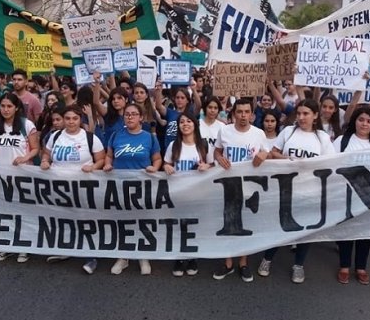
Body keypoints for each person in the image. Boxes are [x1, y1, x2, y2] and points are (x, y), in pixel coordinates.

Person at [257, 99, 335, 282]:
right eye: (299, 113)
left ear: (315, 115)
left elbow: (331, 164)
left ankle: (298, 265)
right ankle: (267, 259)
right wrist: (286, 159)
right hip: (285, 189)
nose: (301, 117)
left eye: (306, 113)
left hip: (310, 193)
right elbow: (273, 153)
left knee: (305, 230)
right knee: (278, 226)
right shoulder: (288, 131)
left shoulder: (322, 138)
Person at [40, 104, 105, 272]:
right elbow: (46, 153)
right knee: (63, 218)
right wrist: (45, 161)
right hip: (59, 187)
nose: (71, 122)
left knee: (85, 221)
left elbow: (101, 159)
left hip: (83, 188)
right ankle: (65, 249)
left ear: (80, 119)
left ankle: (91, 257)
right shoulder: (55, 136)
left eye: (75, 118)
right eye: (67, 118)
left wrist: (93, 167)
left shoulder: (90, 138)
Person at [212, 98, 269, 283]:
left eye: (247, 112)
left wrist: (263, 154)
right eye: (239, 112)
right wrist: (219, 158)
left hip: (250, 188)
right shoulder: (224, 131)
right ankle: (228, 262)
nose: (243, 116)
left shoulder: (259, 133)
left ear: (252, 114)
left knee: (246, 225)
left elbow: (266, 152)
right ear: (233, 113)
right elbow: (217, 152)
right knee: (228, 224)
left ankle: (243, 262)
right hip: (228, 186)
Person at [104, 104, 161, 275]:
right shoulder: (116, 135)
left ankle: (143, 256)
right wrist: (107, 164)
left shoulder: (149, 137)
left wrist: (154, 167)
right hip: (120, 185)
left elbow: (157, 158)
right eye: (127, 114)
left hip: (142, 186)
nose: (130, 117)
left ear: (141, 118)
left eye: (134, 114)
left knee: (142, 220)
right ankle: (123, 257)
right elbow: (109, 155)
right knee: (122, 221)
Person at [333, 106, 370, 285]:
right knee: (347, 231)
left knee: (365, 232)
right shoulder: (342, 141)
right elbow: (329, 164)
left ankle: (361, 267)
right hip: (347, 194)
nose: (364, 124)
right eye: (361, 119)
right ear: (354, 121)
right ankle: (344, 266)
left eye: (369, 121)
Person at [0, 93, 39, 263]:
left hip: (22, 175)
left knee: (23, 211)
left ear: (16, 108)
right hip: (1, 176)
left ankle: (24, 246)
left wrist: (25, 158)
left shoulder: (26, 125)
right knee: (4, 211)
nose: (6, 110)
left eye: (9, 106)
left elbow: (35, 148)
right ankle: (7, 246)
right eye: (2, 106)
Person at [163, 113, 213, 277]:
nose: (185, 124)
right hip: (177, 194)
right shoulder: (173, 145)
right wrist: (166, 167)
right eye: (182, 122)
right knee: (178, 226)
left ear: (195, 124)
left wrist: (207, 166)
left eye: (188, 121)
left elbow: (213, 164)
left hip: (197, 194)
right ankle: (178, 257)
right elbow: (166, 163)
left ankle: (192, 257)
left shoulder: (203, 145)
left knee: (194, 226)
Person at [155, 83, 202, 151]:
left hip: (184, 150)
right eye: (177, 97)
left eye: (182, 98)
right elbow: (158, 106)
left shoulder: (190, 114)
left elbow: (198, 106)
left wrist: (194, 90)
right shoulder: (170, 112)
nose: (179, 100)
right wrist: (159, 90)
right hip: (169, 149)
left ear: (187, 100)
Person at [199, 96, 225, 164]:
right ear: (205, 108)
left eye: (215, 108)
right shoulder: (197, 124)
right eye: (210, 107)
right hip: (199, 165)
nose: (212, 110)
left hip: (216, 167)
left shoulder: (222, 127)